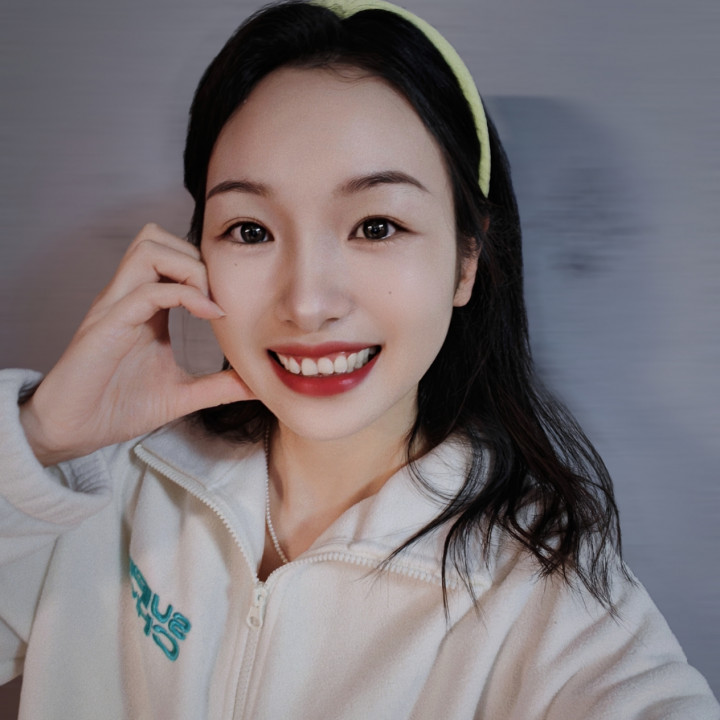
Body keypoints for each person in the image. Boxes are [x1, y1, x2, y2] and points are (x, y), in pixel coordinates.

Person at [0, 0, 717, 717]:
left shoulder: (546, 596)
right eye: (250, 230)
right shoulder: (94, 480)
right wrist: (39, 439)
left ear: (467, 261)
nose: (308, 303)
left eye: (376, 226)